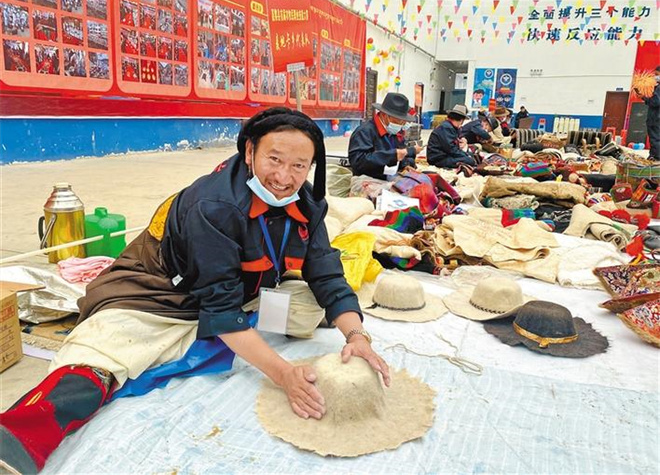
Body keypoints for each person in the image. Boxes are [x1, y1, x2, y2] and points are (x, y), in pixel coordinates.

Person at [0, 108, 390, 474]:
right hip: (157, 296)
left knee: (311, 307)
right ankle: (14, 439)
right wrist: (283, 374)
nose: (285, 177)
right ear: (250, 150)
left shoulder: (303, 202)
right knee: (105, 356)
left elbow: (325, 272)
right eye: (275, 159)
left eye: (298, 166)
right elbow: (218, 307)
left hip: (241, 294)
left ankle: (235, 335)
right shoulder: (213, 205)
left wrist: (357, 336)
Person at [348, 92, 421, 180]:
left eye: (403, 121)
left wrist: (405, 165)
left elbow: (400, 156)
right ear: (384, 115)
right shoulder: (364, 131)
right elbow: (358, 162)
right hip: (367, 181)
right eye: (398, 120)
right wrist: (392, 155)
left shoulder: (393, 132)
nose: (402, 124)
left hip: (389, 178)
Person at [427, 104, 477, 168]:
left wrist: (463, 140)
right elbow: (452, 149)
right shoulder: (446, 128)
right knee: (469, 160)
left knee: (470, 155)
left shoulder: (450, 126)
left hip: (445, 156)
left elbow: (458, 136)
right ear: (461, 120)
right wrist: (466, 155)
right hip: (438, 159)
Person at [634, 65, 660, 161]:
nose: (654, 77)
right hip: (656, 118)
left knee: (655, 138)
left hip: (655, 118)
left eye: (657, 75)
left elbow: (656, 102)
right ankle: (653, 155)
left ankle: (656, 157)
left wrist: (643, 97)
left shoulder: (659, 88)